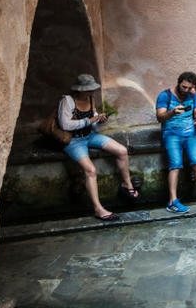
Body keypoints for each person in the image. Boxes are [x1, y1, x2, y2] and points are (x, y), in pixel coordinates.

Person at [57, 74, 137, 221]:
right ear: (80, 90)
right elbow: (65, 124)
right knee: (91, 170)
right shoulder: (67, 101)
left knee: (122, 151)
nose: (92, 92)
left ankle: (127, 184)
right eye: (89, 90)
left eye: (92, 89)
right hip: (73, 141)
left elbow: (94, 127)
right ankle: (98, 209)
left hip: (89, 136)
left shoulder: (91, 99)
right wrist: (89, 120)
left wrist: (99, 121)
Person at [155, 72, 196, 214]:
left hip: (191, 134)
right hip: (172, 135)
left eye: (189, 88)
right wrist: (173, 112)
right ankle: (172, 201)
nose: (186, 90)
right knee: (175, 166)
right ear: (178, 83)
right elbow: (160, 117)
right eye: (184, 87)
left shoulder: (193, 95)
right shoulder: (165, 96)